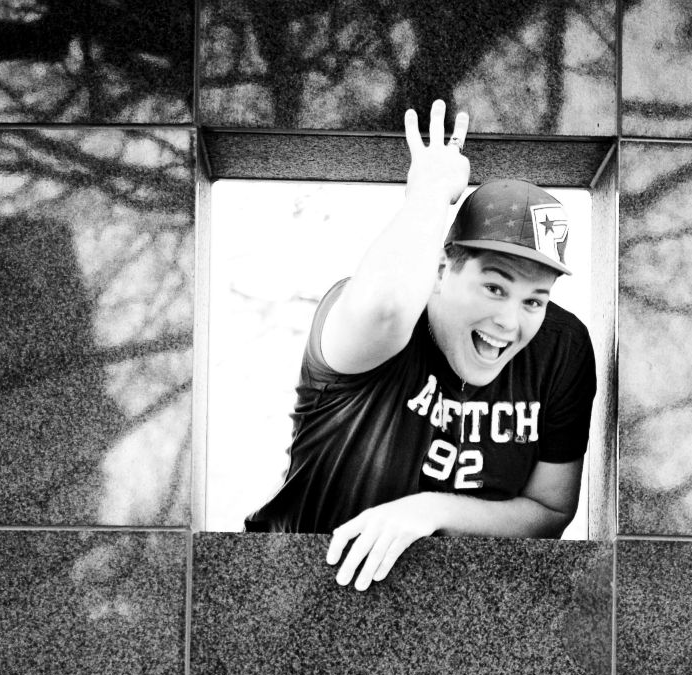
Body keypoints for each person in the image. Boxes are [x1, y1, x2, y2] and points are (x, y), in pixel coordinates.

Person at [244, 100, 596, 591]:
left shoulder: (561, 348)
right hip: (293, 603)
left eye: (534, 300)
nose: (510, 321)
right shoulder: (368, 320)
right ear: (439, 270)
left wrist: (428, 511)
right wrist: (430, 195)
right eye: (494, 287)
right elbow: (384, 307)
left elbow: (550, 510)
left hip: (451, 630)